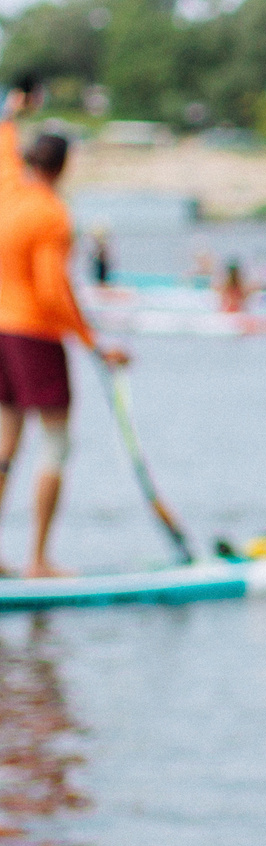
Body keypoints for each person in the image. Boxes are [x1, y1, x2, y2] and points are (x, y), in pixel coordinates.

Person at [0, 130, 126, 578]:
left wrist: (12, 116)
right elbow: (54, 291)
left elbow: (2, 142)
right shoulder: (51, 214)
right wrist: (94, 343)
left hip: (1, 331)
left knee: (6, 444)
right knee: (55, 442)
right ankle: (38, 560)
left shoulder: (8, 194)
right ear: (65, 165)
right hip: (34, 334)